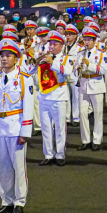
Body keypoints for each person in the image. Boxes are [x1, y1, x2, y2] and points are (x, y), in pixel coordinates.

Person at [0, 38, 34, 213]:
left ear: (16, 58)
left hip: (15, 126)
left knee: (18, 166)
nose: (4, 59)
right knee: (2, 166)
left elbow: (28, 105)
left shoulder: (24, 78)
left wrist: (25, 131)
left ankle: (20, 201)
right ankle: (6, 200)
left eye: (8, 56)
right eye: (2, 56)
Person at [34, 31, 74, 166]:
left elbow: (68, 72)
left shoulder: (66, 58)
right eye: (50, 44)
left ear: (61, 45)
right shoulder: (44, 56)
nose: (51, 47)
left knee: (60, 127)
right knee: (45, 127)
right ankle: (48, 154)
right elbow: (30, 71)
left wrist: (53, 63)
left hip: (59, 96)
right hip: (44, 96)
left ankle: (60, 154)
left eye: (54, 44)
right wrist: (36, 62)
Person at [76, 27, 107, 151]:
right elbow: (74, 70)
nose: (87, 42)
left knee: (98, 113)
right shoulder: (80, 53)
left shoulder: (101, 53)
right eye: (85, 39)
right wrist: (77, 68)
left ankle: (97, 140)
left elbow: (104, 70)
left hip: (96, 84)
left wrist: (90, 65)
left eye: (89, 40)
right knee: (82, 113)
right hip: (83, 84)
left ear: (94, 41)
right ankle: (85, 140)